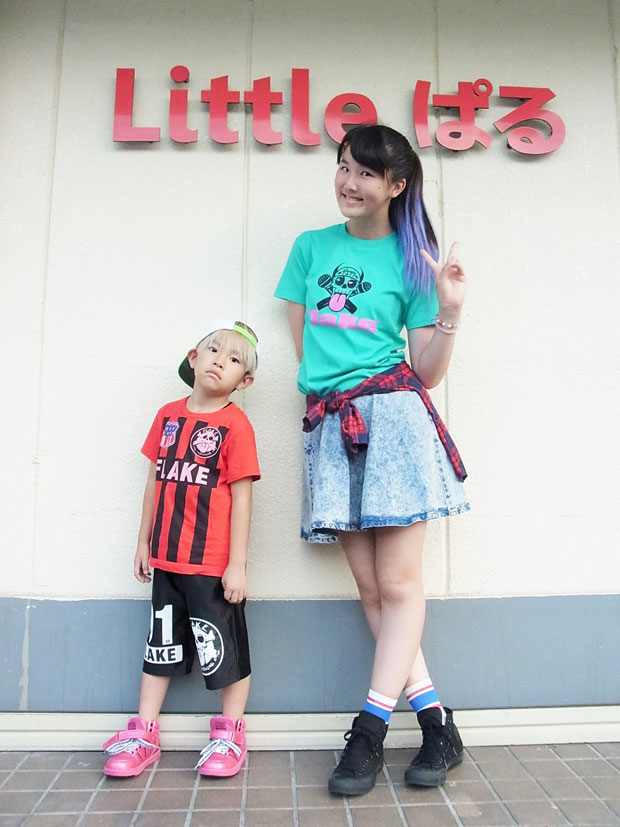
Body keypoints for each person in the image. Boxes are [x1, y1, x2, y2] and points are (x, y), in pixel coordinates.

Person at [275, 124, 470, 796]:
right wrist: (329, 398)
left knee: (399, 584)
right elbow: (308, 352)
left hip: (394, 422)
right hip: (333, 425)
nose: (348, 182)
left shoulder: (415, 263)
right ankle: (438, 726)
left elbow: (426, 371)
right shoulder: (310, 248)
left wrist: (449, 311)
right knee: (370, 588)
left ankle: (369, 731)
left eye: (365, 172)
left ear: (396, 185)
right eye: (343, 166)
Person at [102, 320, 260, 779]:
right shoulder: (168, 416)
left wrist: (237, 565)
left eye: (234, 359)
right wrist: (143, 540)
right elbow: (155, 482)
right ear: (193, 358)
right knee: (160, 647)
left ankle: (230, 733)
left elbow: (243, 498)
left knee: (223, 649)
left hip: (211, 564)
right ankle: (144, 732)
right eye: (213, 351)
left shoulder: (236, 425)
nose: (220, 361)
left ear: (244, 381)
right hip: (166, 559)